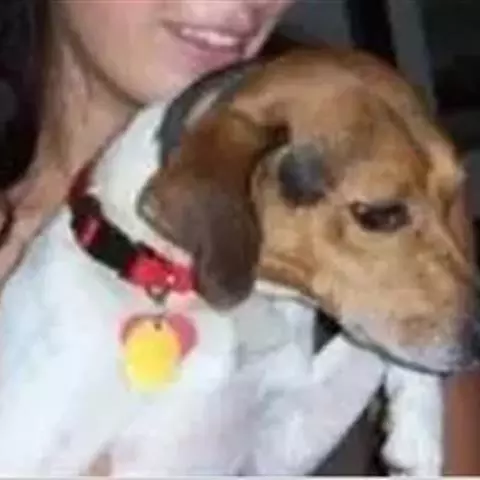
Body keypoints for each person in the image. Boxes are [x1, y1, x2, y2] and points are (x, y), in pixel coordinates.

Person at [0, 0, 479, 475]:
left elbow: (280, 451)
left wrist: (408, 375)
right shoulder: (289, 186)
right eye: (381, 215)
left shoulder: (389, 161)